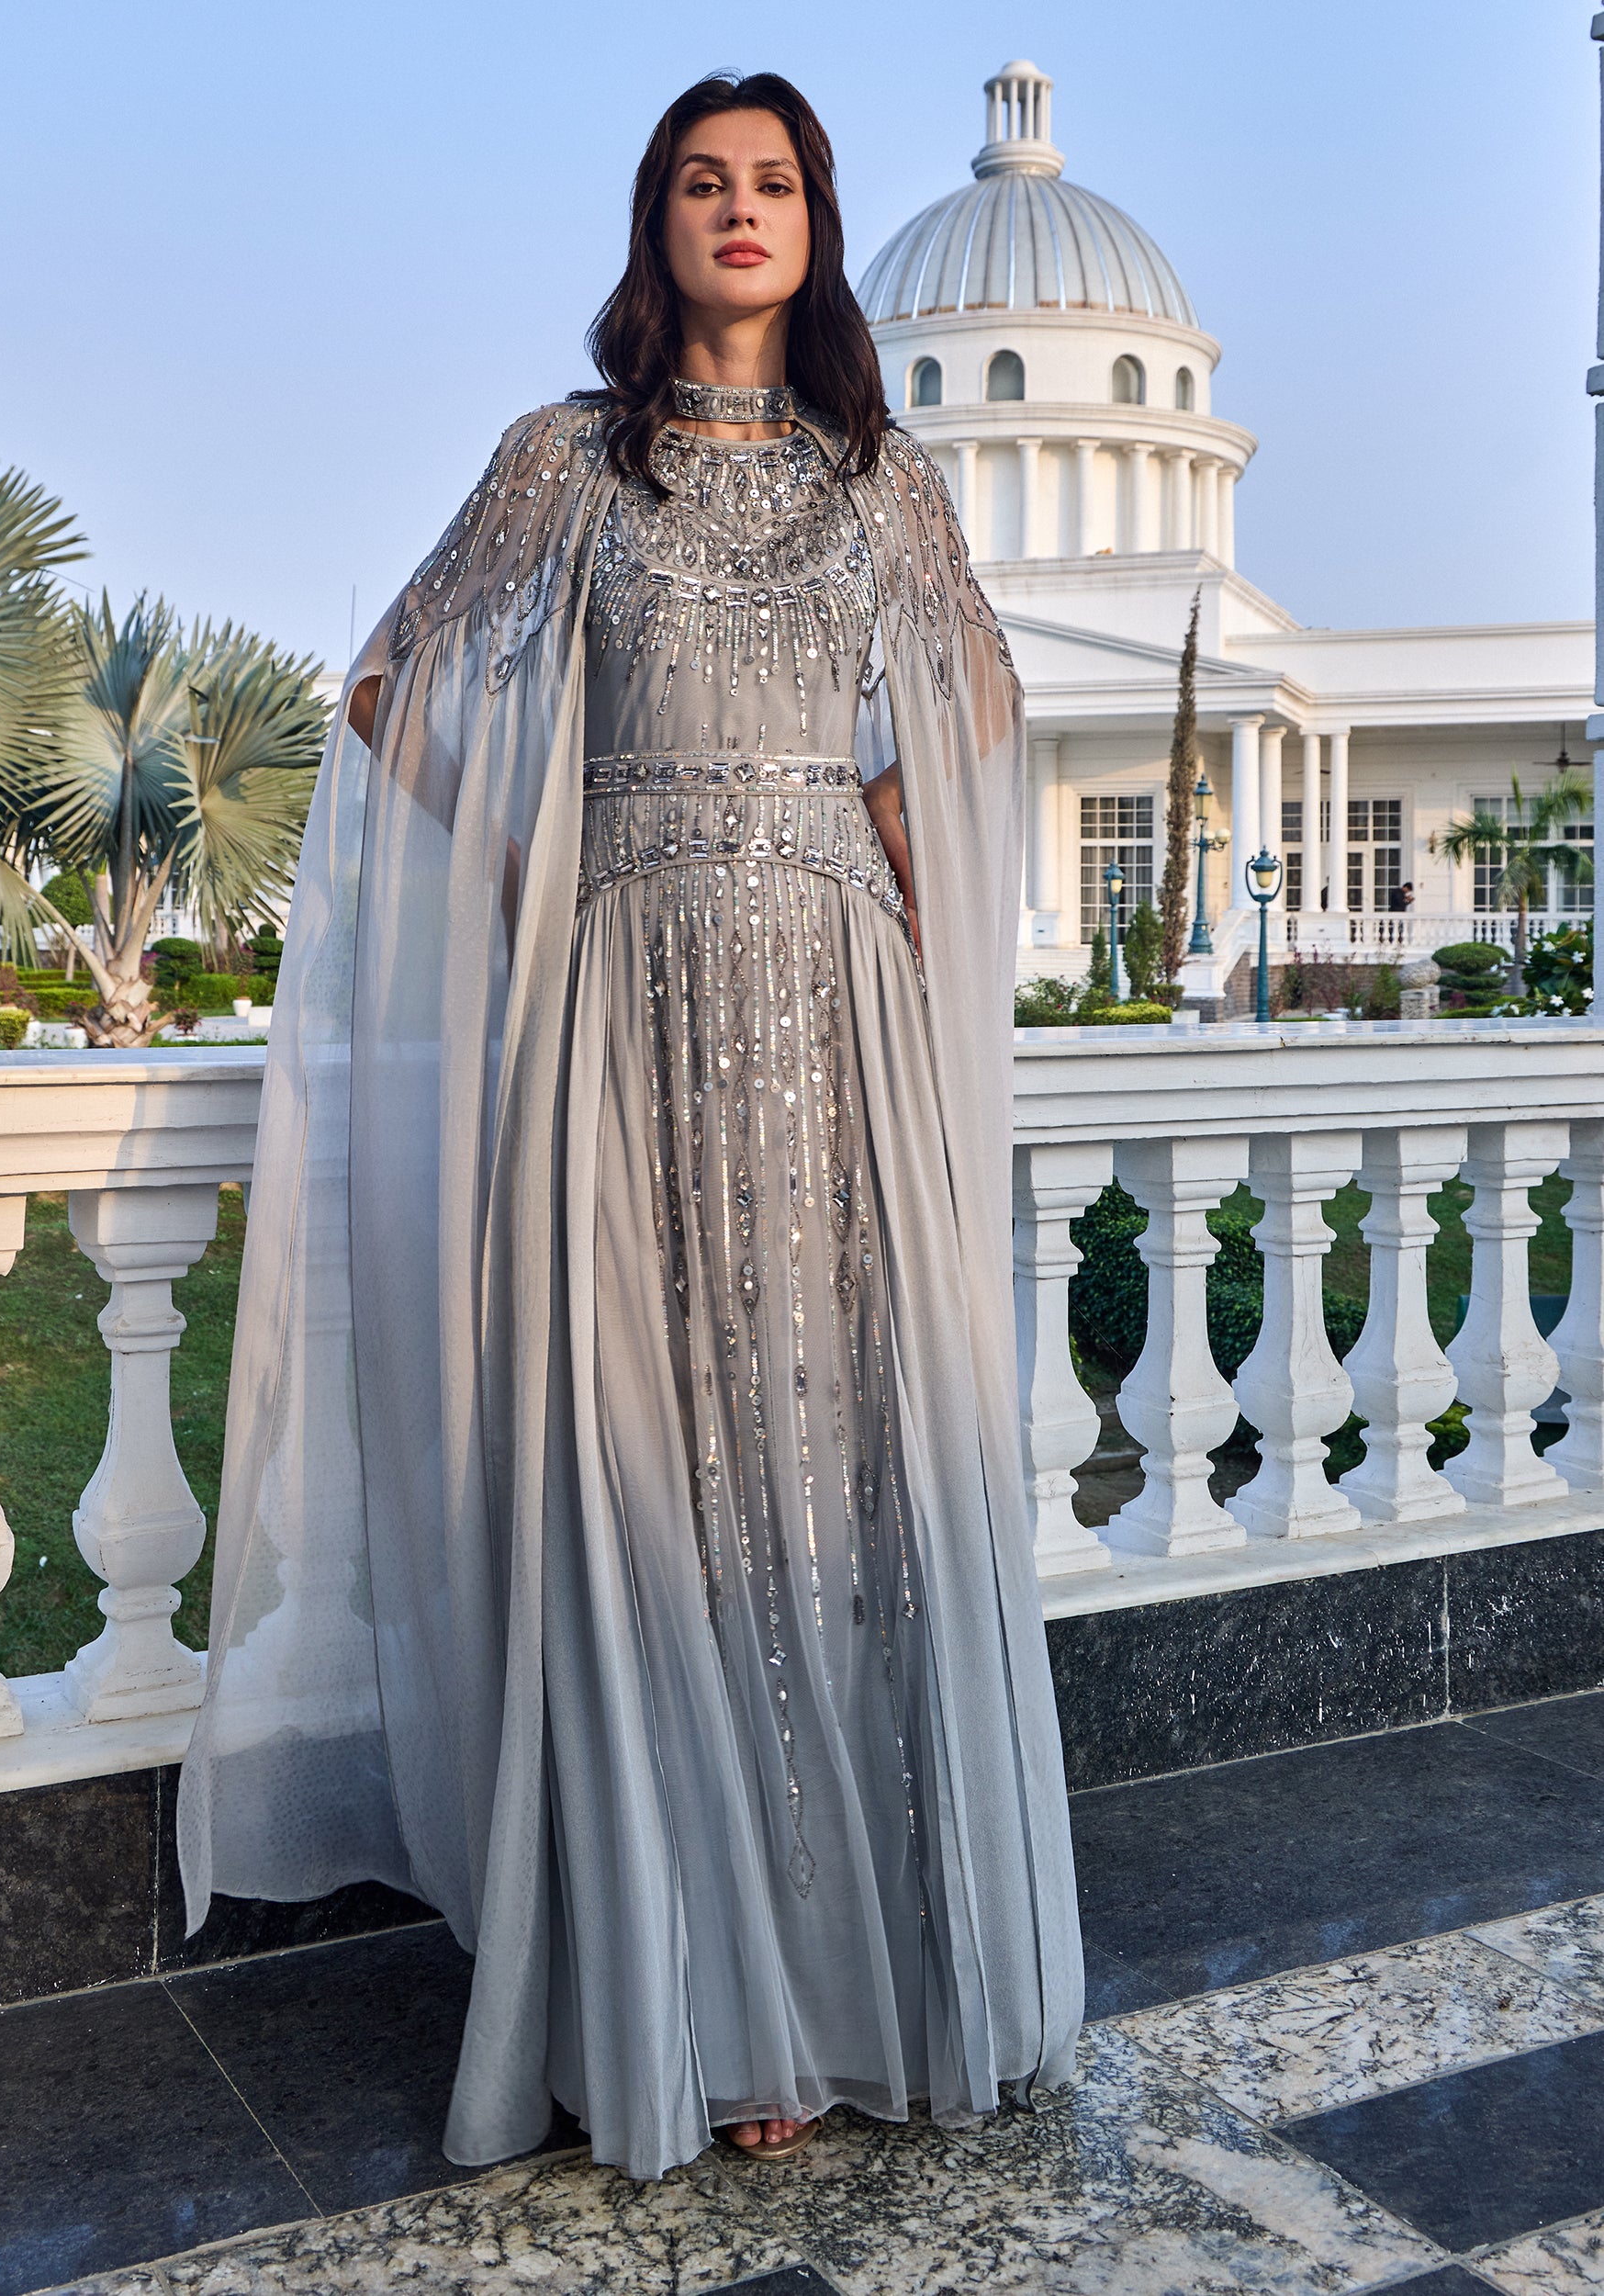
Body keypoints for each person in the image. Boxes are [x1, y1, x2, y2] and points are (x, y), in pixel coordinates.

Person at [178, 69, 1082, 2183]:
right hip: (621, 1006)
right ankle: (698, 1998)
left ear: (814, 224)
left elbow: (976, 697)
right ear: (654, 218)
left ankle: (862, 1979)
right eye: (701, 180)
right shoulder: (562, 461)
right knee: (648, 1471)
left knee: (834, 1466)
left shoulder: (879, 479)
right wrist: (533, 861)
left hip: (834, 1016)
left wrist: (870, 837)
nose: (738, 209)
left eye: (772, 183)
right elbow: (388, 684)